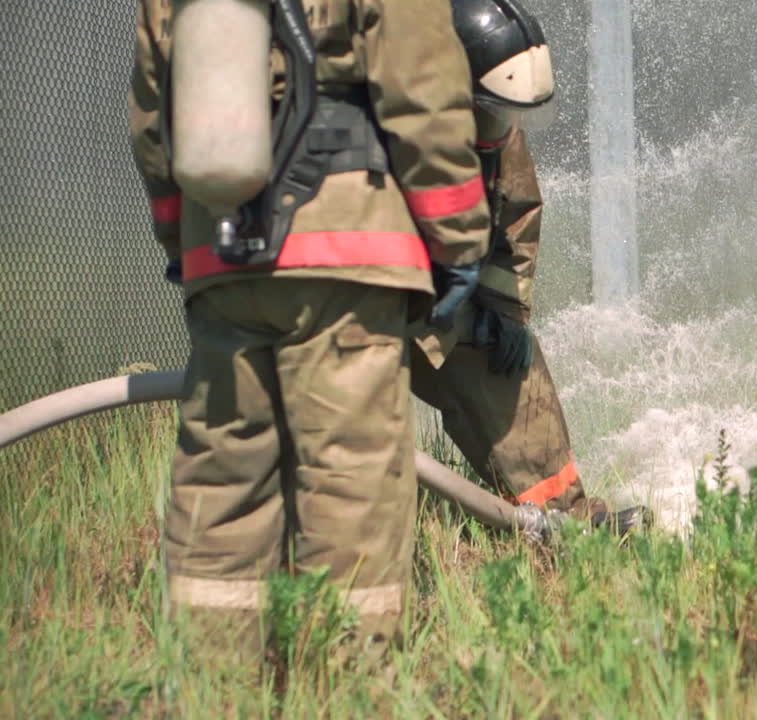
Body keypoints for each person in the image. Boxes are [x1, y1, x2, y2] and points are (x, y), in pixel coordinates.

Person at [128, 0, 489, 660]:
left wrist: (182, 238)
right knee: (349, 474)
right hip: (344, 244)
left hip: (221, 249)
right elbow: (422, 90)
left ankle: (213, 681)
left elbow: (155, 112)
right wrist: (458, 241)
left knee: (222, 477)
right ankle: (345, 679)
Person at [413, 0, 649, 531]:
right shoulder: (381, 126)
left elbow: (516, 215)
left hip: (434, 302)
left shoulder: (493, 120)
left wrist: (503, 313)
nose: (499, 126)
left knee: (508, 363)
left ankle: (566, 523)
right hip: (356, 304)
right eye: (489, 112)